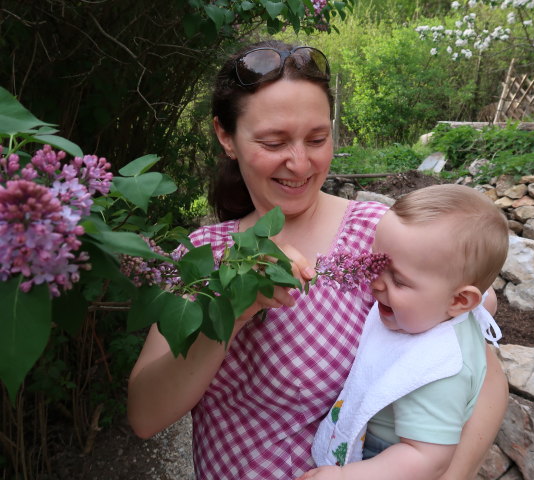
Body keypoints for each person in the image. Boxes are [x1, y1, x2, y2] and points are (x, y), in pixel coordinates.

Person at [127, 39, 509, 480]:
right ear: (225, 136)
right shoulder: (202, 256)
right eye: (273, 142)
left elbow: (482, 367)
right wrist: (233, 310)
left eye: (317, 139)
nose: (299, 163)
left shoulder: (383, 235)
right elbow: (146, 415)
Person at [299, 184, 509, 480]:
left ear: (459, 301)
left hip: (387, 460)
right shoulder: (442, 307)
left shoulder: (439, 371)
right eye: (377, 264)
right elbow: (486, 300)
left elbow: (425, 458)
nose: (376, 284)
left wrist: (346, 476)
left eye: (398, 280)